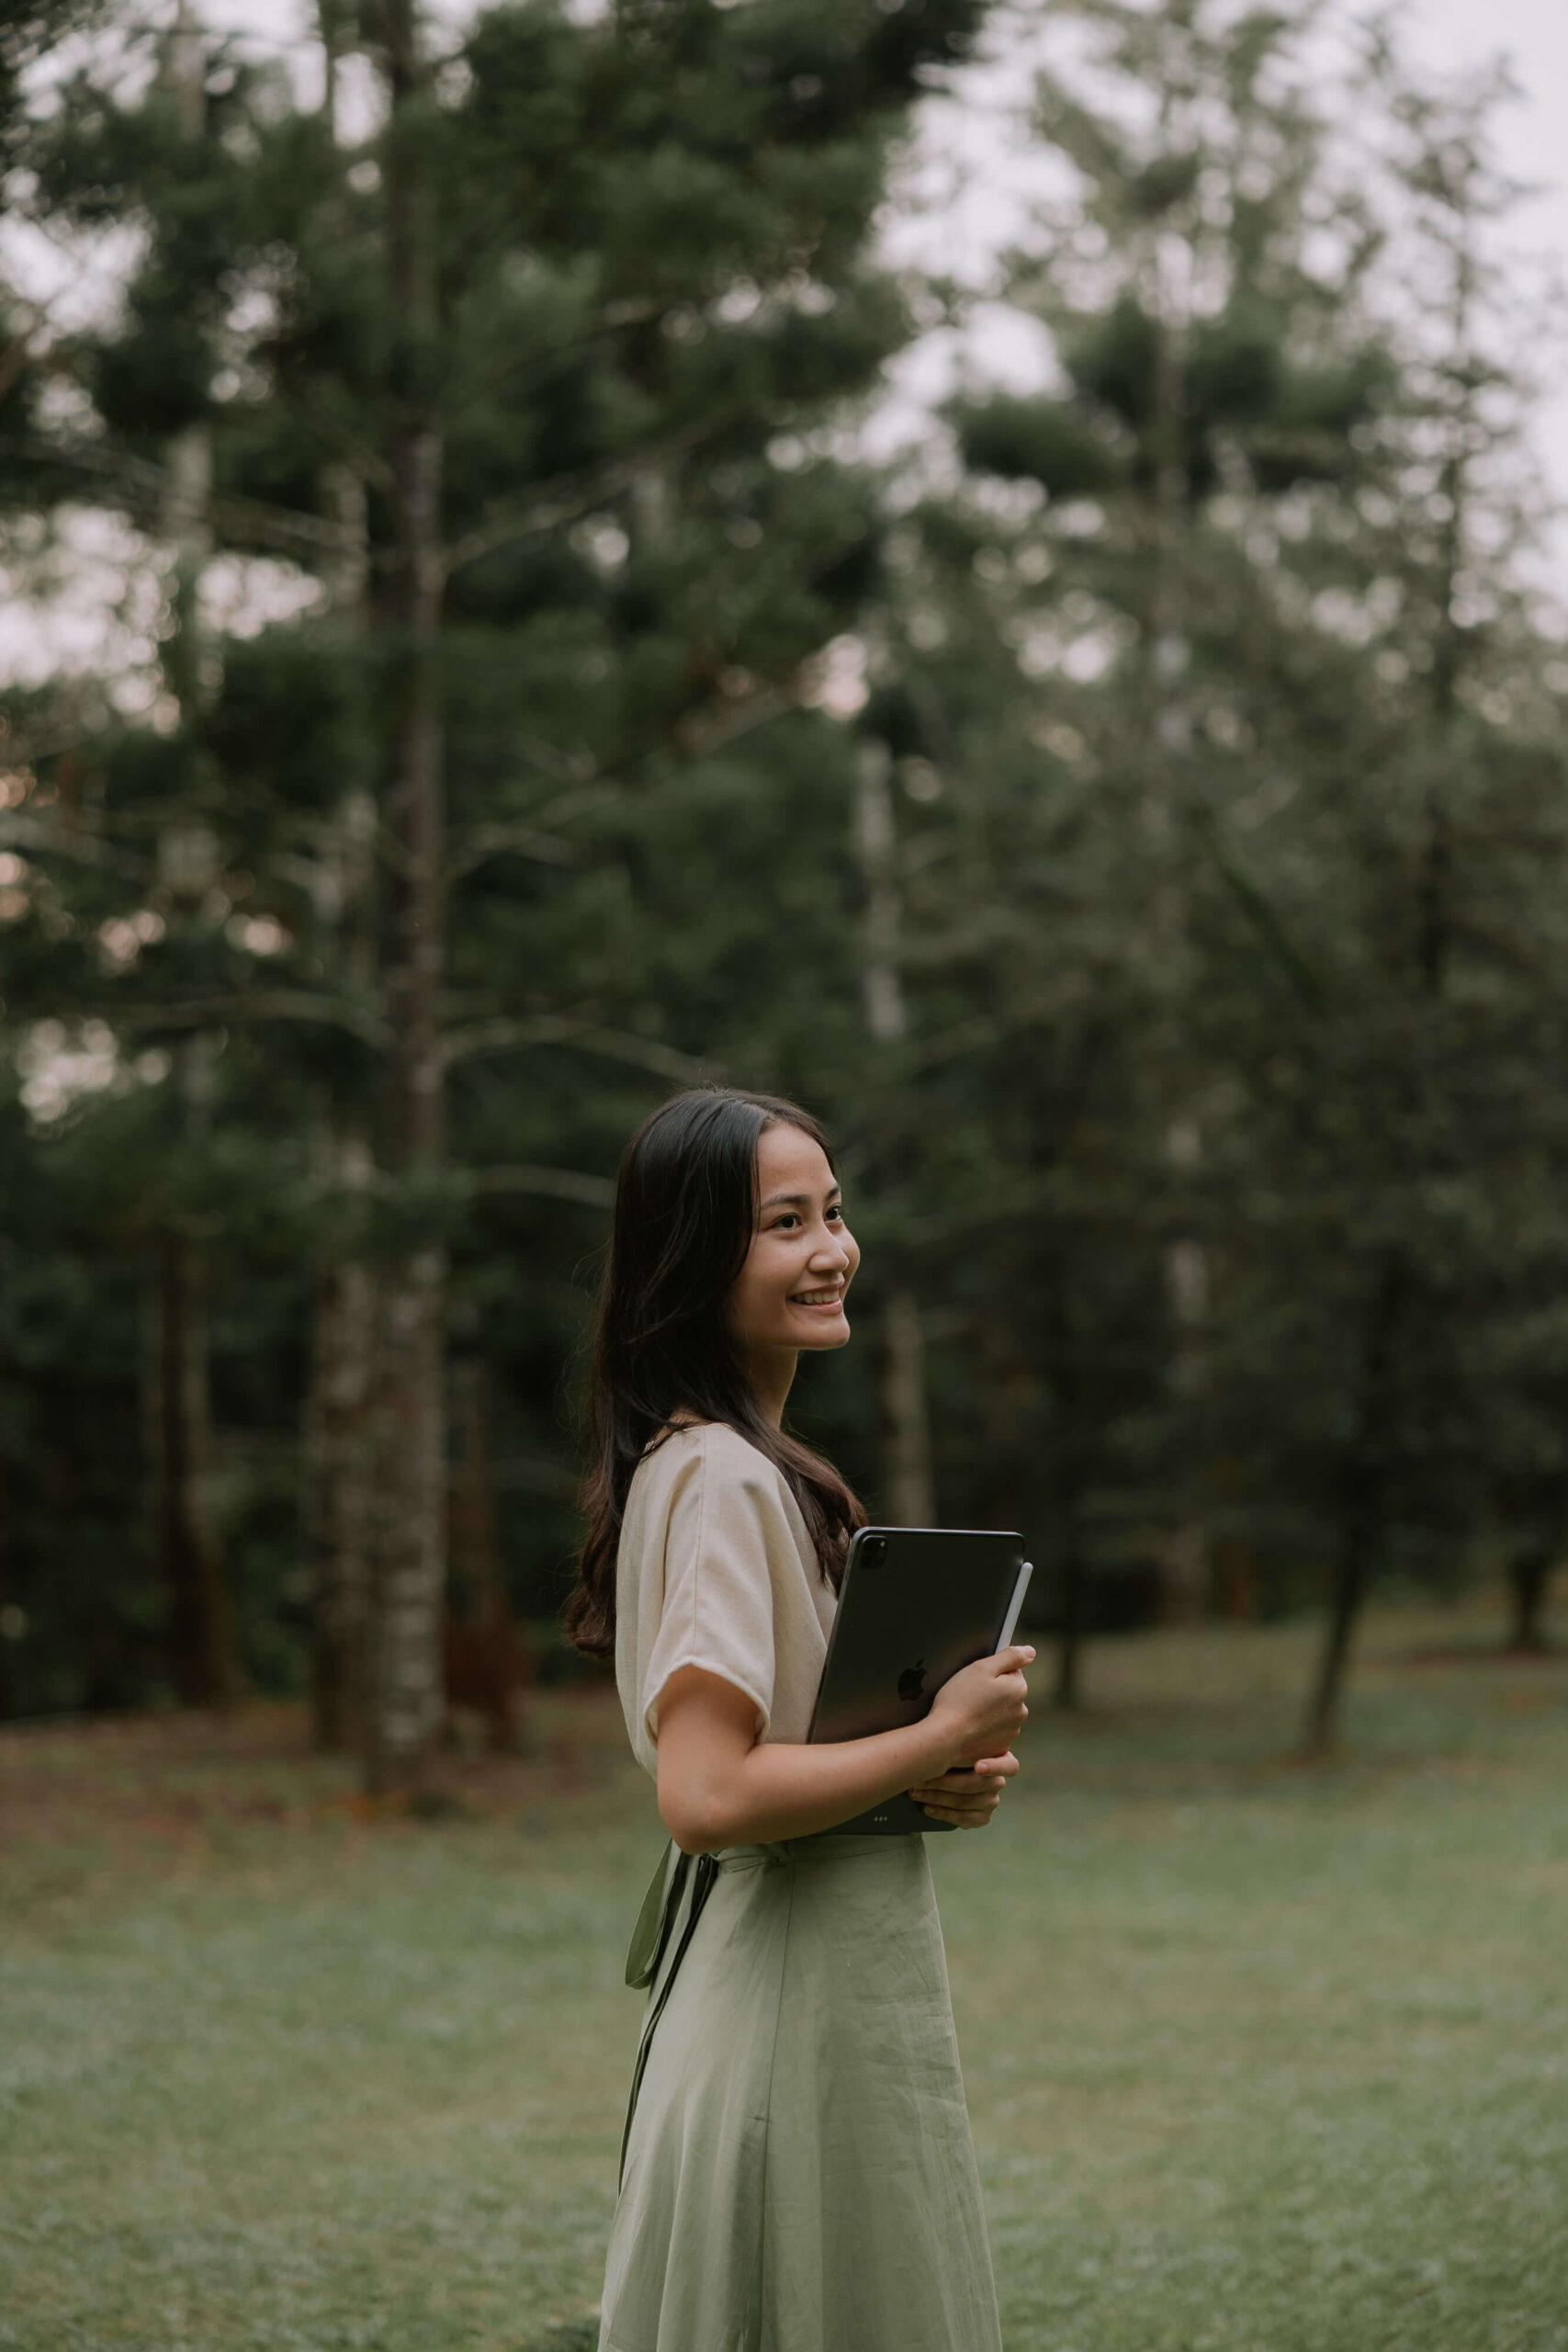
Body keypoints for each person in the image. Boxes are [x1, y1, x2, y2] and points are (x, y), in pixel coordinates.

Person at [567, 1085, 1033, 2352]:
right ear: (694, 1255)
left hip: (813, 1998)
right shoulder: (721, 1477)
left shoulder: (721, 1460)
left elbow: (793, 1756)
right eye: (785, 1223)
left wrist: (933, 1779)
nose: (831, 1250)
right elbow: (708, 1798)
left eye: (833, 1213)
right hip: (784, 2016)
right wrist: (938, 1733)